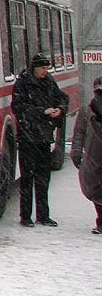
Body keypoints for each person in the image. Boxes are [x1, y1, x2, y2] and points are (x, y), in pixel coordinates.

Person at [11, 52, 69, 227]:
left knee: (44, 178)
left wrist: (59, 109)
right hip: (28, 137)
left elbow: (63, 98)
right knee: (27, 178)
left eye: (46, 68)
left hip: (44, 137)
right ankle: (26, 216)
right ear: (34, 68)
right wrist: (40, 111)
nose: (45, 71)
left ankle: (43, 215)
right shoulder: (23, 83)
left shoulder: (49, 82)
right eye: (43, 68)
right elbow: (18, 107)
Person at [70, 74, 102, 234]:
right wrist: (76, 152)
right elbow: (80, 132)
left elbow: (79, 132)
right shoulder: (88, 109)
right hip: (94, 155)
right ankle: (101, 221)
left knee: (96, 188)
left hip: (93, 156)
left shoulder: (89, 108)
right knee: (95, 188)